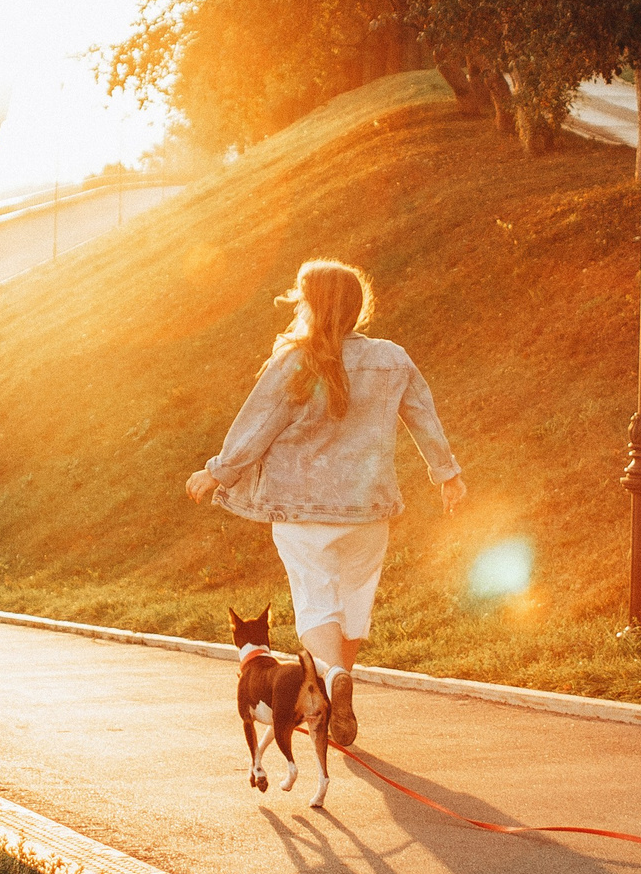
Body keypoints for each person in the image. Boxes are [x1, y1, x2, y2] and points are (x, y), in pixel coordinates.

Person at [185, 259, 467, 746]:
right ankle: (337, 694)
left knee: (316, 605)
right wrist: (448, 475)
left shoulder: (293, 361)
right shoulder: (391, 358)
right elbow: (423, 415)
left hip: (302, 511)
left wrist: (216, 472)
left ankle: (334, 678)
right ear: (359, 306)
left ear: (309, 305)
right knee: (352, 603)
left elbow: (257, 426)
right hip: (368, 512)